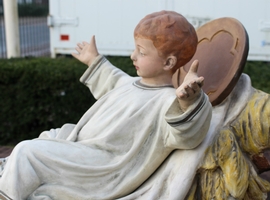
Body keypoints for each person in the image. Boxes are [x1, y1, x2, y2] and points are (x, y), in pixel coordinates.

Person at [0, 10, 212, 200]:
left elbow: (186, 135)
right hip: (83, 145)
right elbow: (112, 79)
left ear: (168, 63)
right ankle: (12, 173)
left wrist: (188, 102)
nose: (132, 56)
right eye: (135, 49)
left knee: (27, 151)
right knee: (51, 135)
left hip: (103, 165)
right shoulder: (132, 84)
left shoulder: (166, 101)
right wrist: (94, 60)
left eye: (142, 52)